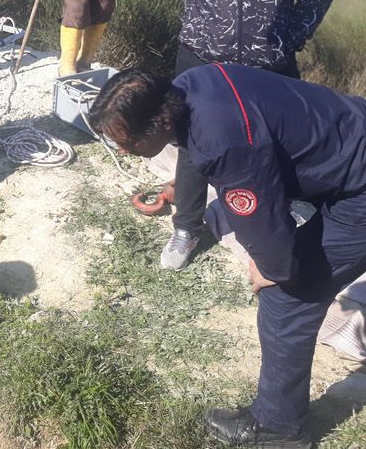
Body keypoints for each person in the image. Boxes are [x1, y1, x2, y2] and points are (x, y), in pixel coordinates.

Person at [88, 64, 366, 449]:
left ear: (158, 122)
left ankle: (280, 428)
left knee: (287, 298)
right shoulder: (188, 85)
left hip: (359, 189)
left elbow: (263, 215)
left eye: (126, 141)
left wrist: (273, 267)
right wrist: (183, 193)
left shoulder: (225, 142)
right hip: (348, 138)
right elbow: (198, 152)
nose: (120, 149)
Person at [149, 0, 336, 270]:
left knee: (279, 141)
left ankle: (283, 215)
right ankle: (186, 227)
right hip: (201, 58)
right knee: (194, 145)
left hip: (268, 59)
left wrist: (291, 35)